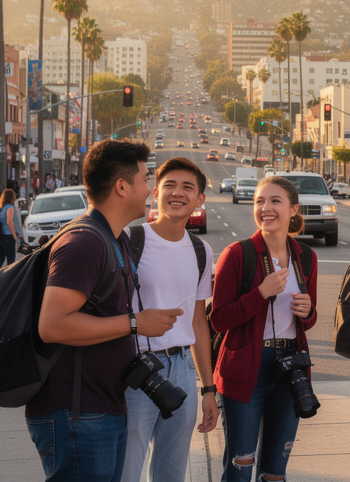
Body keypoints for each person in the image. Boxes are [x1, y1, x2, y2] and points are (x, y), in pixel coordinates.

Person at [25, 140, 182, 482]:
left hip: (102, 408)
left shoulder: (114, 238)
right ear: (122, 187)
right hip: (77, 413)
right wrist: (135, 323)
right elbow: (52, 325)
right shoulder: (85, 243)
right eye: (145, 179)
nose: (151, 190)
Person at [212, 174, 316, 482]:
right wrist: (260, 294)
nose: (265, 208)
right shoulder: (237, 254)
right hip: (246, 367)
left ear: (293, 209)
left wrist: (308, 312)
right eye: (259, 201)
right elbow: (218, 320)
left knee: (275, 472)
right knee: (240, 466)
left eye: (275, 201)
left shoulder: (306, 257)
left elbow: (308, 320)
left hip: (290, 367)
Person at [121, 158, 220, 482]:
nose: (178, 193)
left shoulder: (201, 250)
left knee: (171, 473)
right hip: (136, 370)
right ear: (155, 193)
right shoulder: (130, 240)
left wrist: (208, 389)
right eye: (170, 186)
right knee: (127, 470)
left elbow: (198, 322)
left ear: (200, 199)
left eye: (187, 187)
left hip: (182, 370)